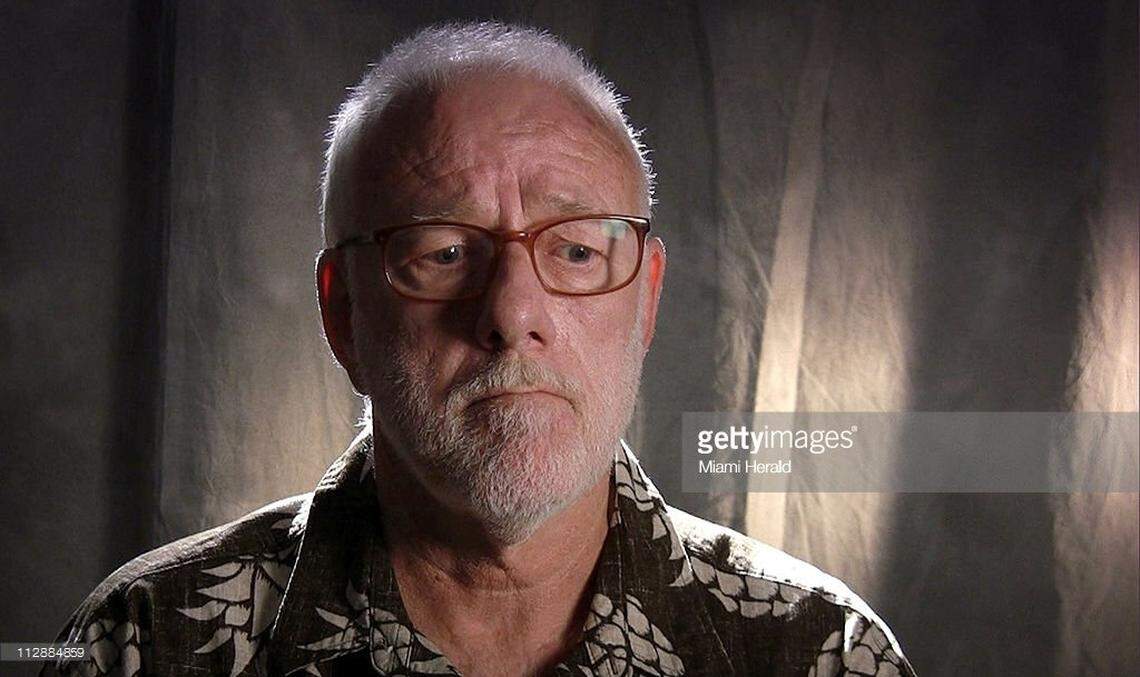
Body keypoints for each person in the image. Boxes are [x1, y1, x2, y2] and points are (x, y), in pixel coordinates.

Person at [44, 21, 914, 677]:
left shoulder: (821, 652)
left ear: (645, 301)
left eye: (575, 249)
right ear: (344, 313)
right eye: (445, 252)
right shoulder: (147, 643)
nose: (511, 312)